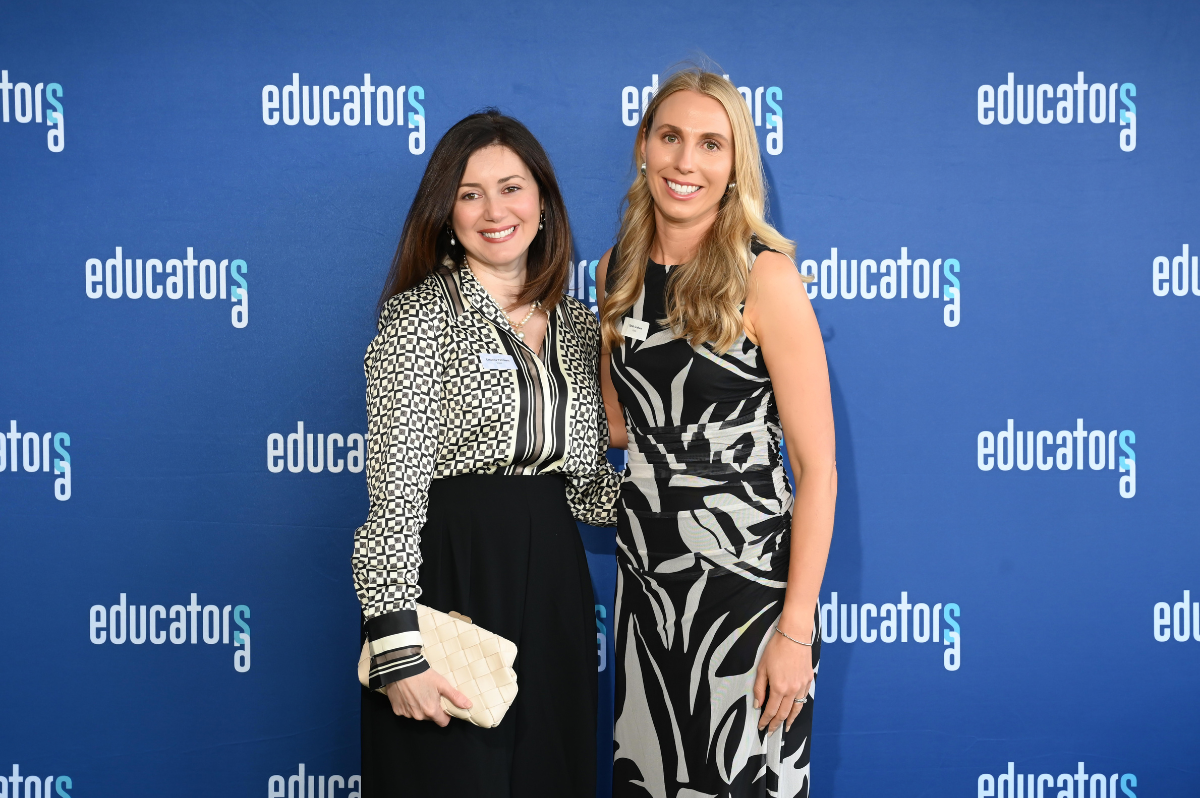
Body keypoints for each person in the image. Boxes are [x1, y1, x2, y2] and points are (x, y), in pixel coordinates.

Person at [354, 109, 620, 798]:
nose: (494, 210)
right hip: (453, 581)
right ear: (446, 212)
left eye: (512, 187)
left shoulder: (578, 326)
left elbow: (589, 490)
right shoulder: (420, 319)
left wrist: (699, 488)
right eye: (470, 193)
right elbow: (395, 497)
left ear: (543, 204)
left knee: (551, 777)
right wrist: (396, 647)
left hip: (556, 586)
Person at [597, 70, 837, 797]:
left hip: (746, 601)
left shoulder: (765, 279)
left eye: (711, 144)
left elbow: (816, 468)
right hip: (647, 591)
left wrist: (795, 632)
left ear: (735, 166)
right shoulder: (618, 271)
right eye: (670, 137)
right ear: (644, 145)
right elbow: (617, 425)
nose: (686, 162)